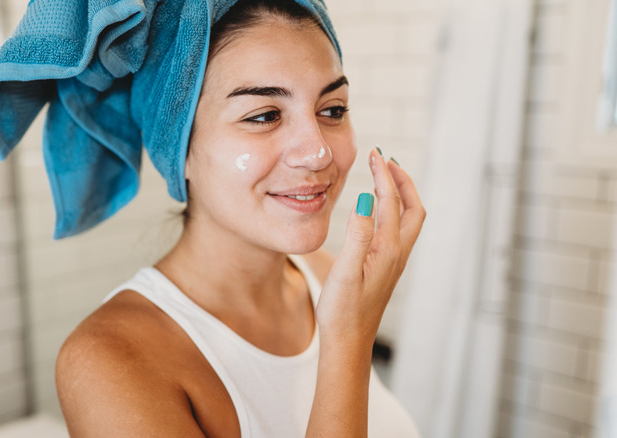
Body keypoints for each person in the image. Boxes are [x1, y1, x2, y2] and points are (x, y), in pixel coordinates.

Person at [53, 1, 425, 436]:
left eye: (333, 109)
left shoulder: (329, 278)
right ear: (179, 150)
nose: (318, 151)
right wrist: (347, 343)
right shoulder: (108, 360)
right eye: (265, 115)